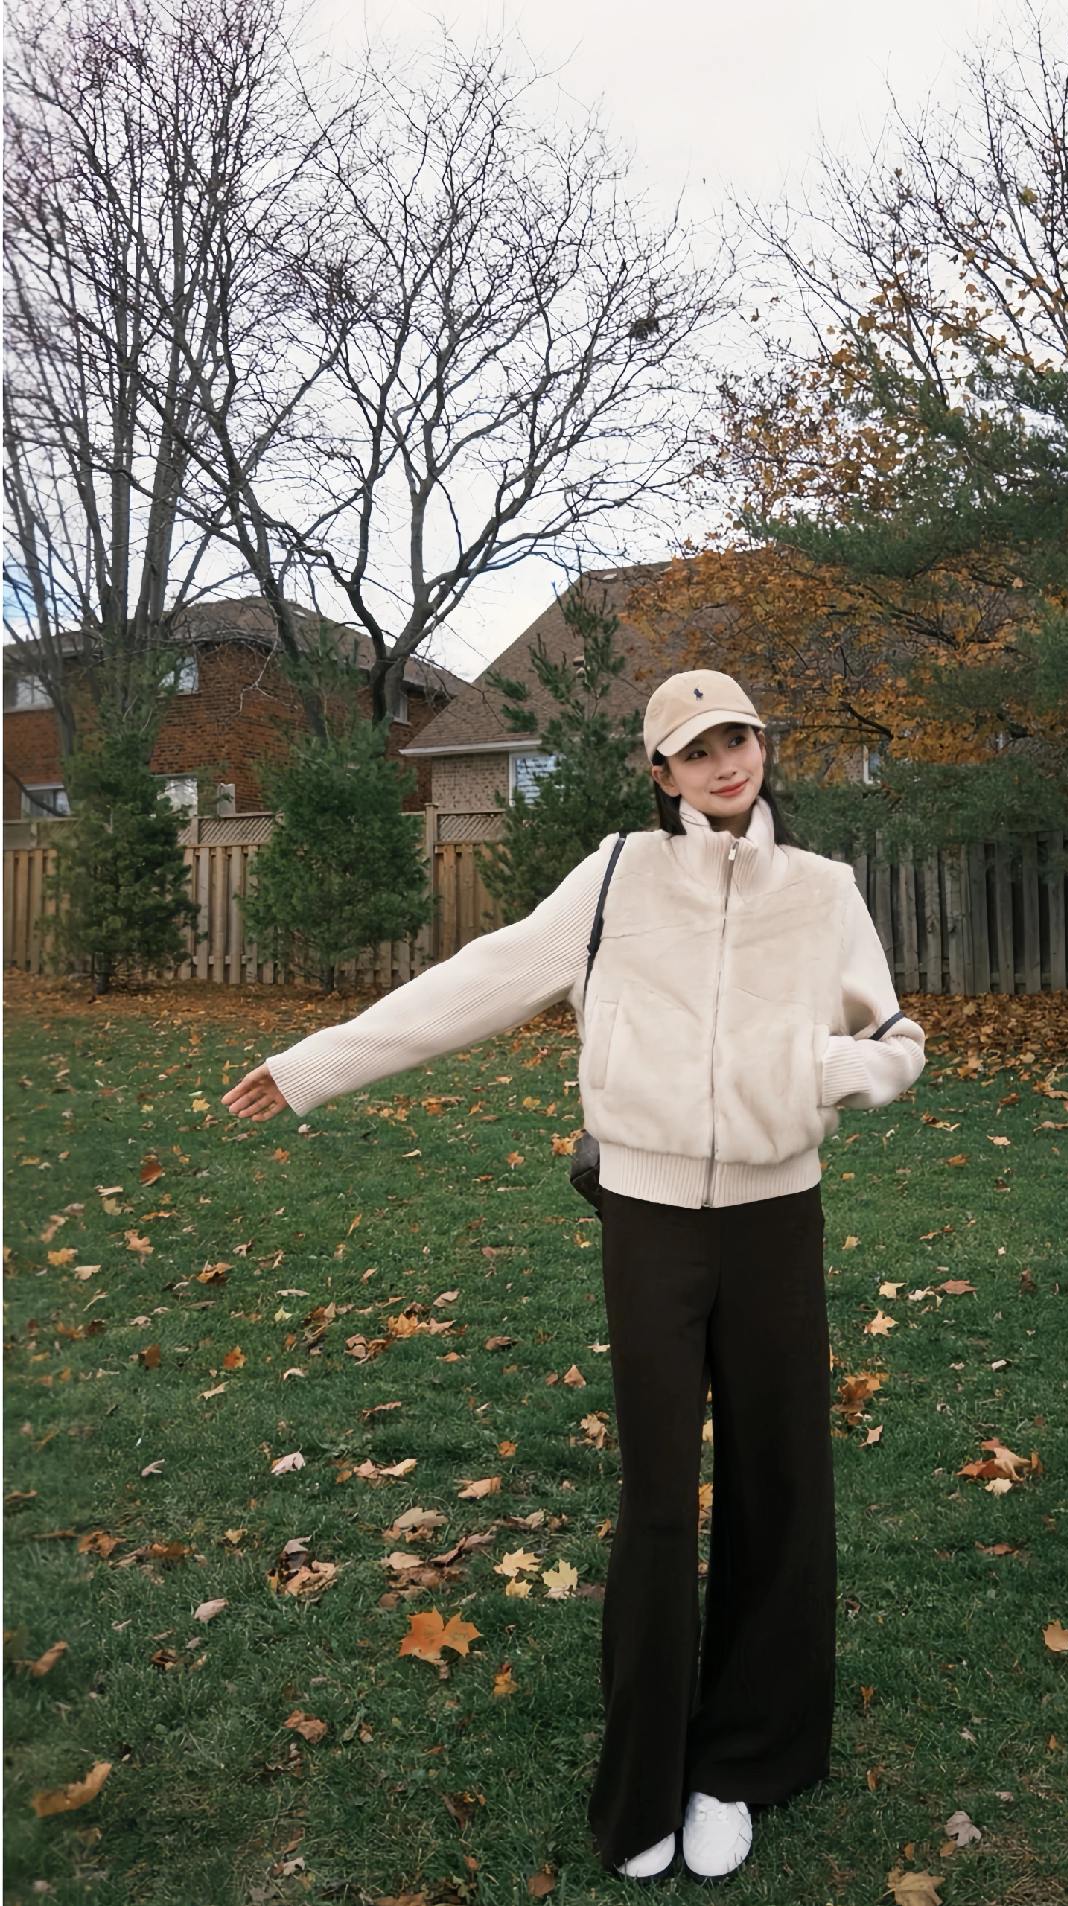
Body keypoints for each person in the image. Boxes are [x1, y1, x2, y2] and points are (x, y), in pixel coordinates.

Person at [220, 668, 926, 1883]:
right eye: (696, 748)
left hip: (776, 1217)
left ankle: (738, 1762)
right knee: (655, 1496)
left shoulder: (825, 889)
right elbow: (478, 978)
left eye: (739, 738)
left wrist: (827, 1073)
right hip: (647, 1216)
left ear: (762, 746)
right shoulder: (613, 878)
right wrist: (313, 1064)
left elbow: (895, 1037)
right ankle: (645, 1777)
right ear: (661, 771)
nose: (725, 762)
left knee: (779, 1482)